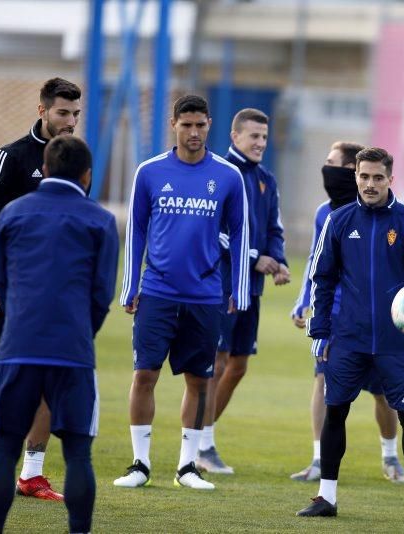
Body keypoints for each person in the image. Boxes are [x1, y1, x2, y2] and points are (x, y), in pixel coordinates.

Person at [0, 136, 118, 534]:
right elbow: (101, 292)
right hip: (72, 350)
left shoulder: (13, 213)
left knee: (4, 451)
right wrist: (81, 331)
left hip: (18, 346)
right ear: (87, 175)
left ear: (46, 164)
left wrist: (22, 319)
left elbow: (0, 281)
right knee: (78, 455)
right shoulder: (101, 219)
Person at [114, 95, 250, 490]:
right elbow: (136, 229)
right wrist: (131, 285)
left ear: (210, 124)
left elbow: (241, 233)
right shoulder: (150, 172)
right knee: (144, 375)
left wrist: (237, 289)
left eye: (201, 125)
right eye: (186, 125)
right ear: (173, 123)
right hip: (156, 291)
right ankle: (139, 464)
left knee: (199, 380)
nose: (193, 133)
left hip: (206, 295)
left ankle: (187, 467)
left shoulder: (227, 176)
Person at [296, 147, 404, 525]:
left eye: (378, 177)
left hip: (397, 343)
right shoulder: (339, 221)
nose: (370, 184)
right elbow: (321, 280)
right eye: (364, 177)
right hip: (349, 339)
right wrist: (321, 333)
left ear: (391, 178)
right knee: (336, 413)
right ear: (355, 177)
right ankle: (326, 496)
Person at [0, 77, 82, 501]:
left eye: (75, 115)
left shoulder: (76, 163)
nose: (69, 122)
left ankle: (32, 475)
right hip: (8, 292)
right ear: (42, 110)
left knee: (47, 381)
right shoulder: (10, 158)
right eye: (62, 113)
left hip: (56, 294)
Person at [289, 141, 404, 484]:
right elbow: (315, 262)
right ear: (355, 176)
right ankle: (318, 459)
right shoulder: (325, 213)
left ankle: (390, 458)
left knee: (384, 392)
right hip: (337, 317)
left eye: (331, 163)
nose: (325, 169)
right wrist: (304, 301)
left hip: (378, 318)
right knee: (323, 381)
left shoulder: (394, 218)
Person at [196, 108, 289, 474]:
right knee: (217, 363)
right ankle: (202, 445)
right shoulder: (219, 174)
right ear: (235, 137)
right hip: (222, 284)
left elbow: (275, 228)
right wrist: (254, 257)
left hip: (252, 289)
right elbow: (212, 227)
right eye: (254, 137)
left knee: (238, 365)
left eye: (264, 138)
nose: (260, 144)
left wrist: (277, 260)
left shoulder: (266, 179)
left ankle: (205, 436)